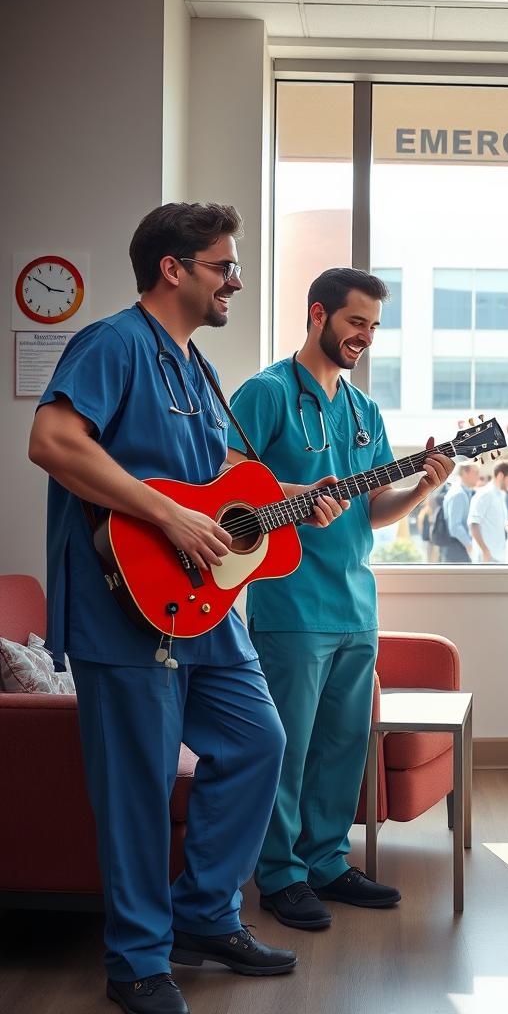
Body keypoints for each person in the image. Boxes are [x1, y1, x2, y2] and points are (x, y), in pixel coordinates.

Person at [27, 204, 325, 1014]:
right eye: (223, 265)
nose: (234, 280)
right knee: (139, 785)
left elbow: (219, 484)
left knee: (259, 741)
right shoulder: (112, 343)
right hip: (124, 608)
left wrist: (298, 498)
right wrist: (165, 516)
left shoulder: (199, 369)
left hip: (206, 610)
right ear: (173, 268)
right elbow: (52, 441)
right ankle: (136, 960)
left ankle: (204, 916)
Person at [224, 268, 454, 932]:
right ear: (318, 313)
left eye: (376, 327)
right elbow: (223, 480)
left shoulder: (365, 411)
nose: (366, 337)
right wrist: (298, 499)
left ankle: (326, 861)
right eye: (357, 322)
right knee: (289, 747)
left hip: (356, 603)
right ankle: (281, 874)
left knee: (342, 745)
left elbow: (371, 509)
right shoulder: (266, 393)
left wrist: (422, 488)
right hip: (289, 605)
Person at [469, 460, 508, 563]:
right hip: (487, 558)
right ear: (500, 475)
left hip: (499, 556)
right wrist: (485, 551)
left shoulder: (502, 495)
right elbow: (473, 524)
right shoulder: (485, 494)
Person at [441, 460, 480, 563]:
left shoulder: (464, 492)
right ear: (464, 473)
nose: (478, 476)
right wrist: (469, 545)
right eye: (475, 472)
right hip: (457, 548)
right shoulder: (458, 494)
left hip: (459, 546)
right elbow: (455, 526)